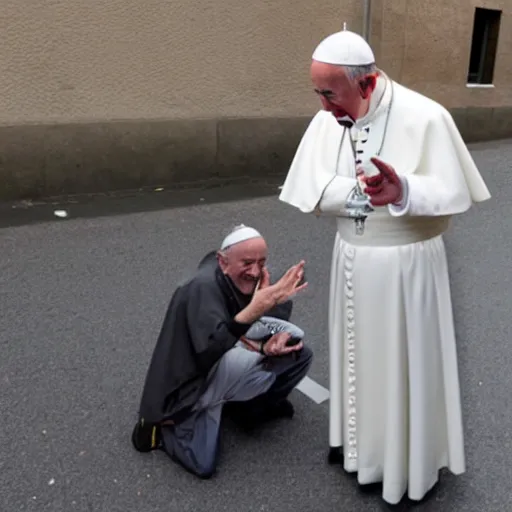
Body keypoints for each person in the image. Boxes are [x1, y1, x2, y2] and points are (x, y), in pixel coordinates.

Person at [278, 28, 491, 505]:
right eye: (317, 93)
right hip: (351, 255)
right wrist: (354, 193)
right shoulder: (328, 118)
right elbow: (311, 185)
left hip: (405, 266)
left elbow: (454, 192)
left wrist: (404, 192)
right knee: (356, 357)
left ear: (367, 84)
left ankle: (405, 468)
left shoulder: (427, 117)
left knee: (401, 363)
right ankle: (359, 450)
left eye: (329, 94)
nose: (323, 107)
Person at [131, 224, 313, 478]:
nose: (255, 270)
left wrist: (269, 338)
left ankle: (250, 410)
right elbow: (211, 349)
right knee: (202, 464)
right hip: (190, 385)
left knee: (298, 353)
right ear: (222, 261)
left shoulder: (244, 277)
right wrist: (258, 307)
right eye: (247, 262)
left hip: (221, 363)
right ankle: (161, 429)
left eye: (261, 262)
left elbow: (245, 331)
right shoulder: (201, 288)